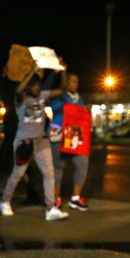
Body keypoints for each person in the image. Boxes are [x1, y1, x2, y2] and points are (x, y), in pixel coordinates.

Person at [0, 62, 69, 221]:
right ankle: (5, 202)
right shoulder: (21, 99)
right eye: (34, 86)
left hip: (41, 141)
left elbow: (63, 89)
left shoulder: (43, 96)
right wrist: (31, 72)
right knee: (18, 174)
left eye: (39, 85)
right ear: (28, 88)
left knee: (49, 173)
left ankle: (50, 209)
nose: (38, 88)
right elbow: (17, 90)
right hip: (24, 142)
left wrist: (62, 72)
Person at [49, 73, 89, 211]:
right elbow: (54, 109)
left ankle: (76, 198)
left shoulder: (79, 98)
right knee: (58, 166)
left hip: (74, 136)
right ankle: (55, 199)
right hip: (59, 133)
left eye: (76, 81)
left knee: (82, 163)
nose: (75, 84)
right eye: (72, 81)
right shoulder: (60, 96)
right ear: (65, 82)